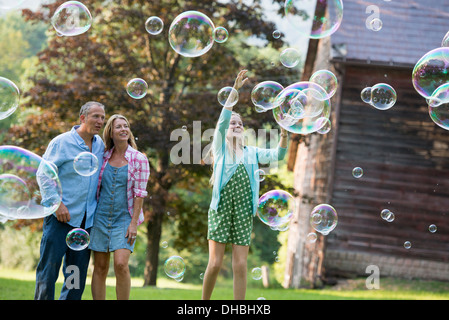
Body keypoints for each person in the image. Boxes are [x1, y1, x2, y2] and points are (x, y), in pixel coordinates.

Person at [201, 70, 289, 300]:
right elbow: (221, 121)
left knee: (240, 265)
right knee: (215, 263)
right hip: (220, 210)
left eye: (240, 123)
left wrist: (284, 136)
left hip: (242, 211)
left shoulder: (252, 153)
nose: (236, 124)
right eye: (233, 123)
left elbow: (278, 155)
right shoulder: (220, 149)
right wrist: (234, 92)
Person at [34, 101, 106, 300]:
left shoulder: (100, 145)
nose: (100, 121)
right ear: (82, 118)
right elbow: (44, 174)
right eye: (95, 116)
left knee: (75, 276)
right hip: (59, 218)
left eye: (102, 117)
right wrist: (57, 204)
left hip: (86, 222)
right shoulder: (62, 142)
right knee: (48, 271)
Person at [89, 114, 150, 300]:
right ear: (111, 132)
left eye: (126, 126)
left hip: (125, 218)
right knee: (99, 267)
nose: (124, 129)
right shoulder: (103, 156)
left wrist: (133, 224)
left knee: (121, 265)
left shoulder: (139, 159)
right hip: (100, 217)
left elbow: (140, 194)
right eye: (119, 127)